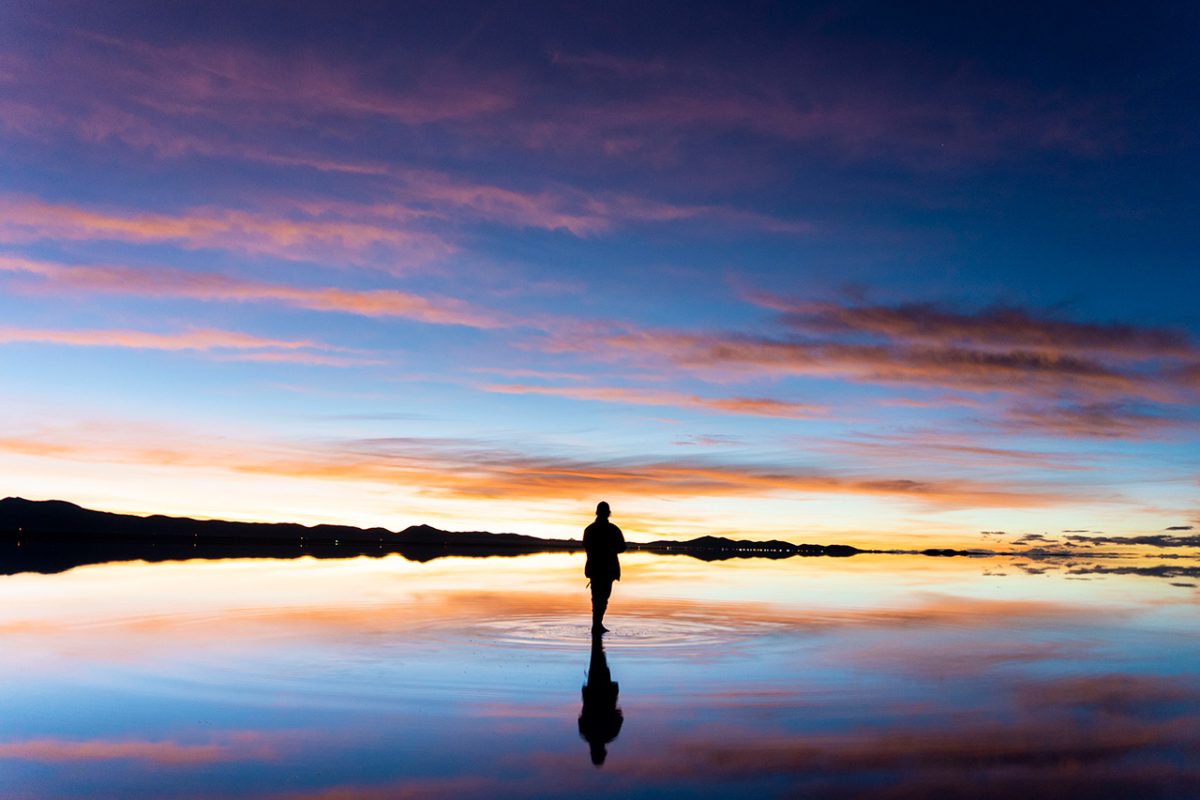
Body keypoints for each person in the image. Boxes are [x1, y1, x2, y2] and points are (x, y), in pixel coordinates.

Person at [578, 633, 623, 766]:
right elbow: (582, 715)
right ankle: (597, 633)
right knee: (597, 660)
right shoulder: (587, 733)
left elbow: (619, 716)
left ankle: (597, 632)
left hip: (601, 695)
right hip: (598, 694)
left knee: (597, 660)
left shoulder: (610, 733)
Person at [583, 500, 625, 633]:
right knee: (602, 598)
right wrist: (609, 548)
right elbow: (622, 547)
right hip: (607, 569)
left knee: (597, 598)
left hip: (596, 569)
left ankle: (597, 625)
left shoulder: (589, 529)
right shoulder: (613, 529)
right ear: (609, 513)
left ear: (597, 512)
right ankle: (597, 625)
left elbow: (587, 547)